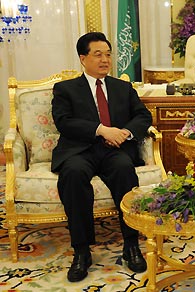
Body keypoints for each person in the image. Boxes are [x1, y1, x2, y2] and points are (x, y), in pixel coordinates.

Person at [51, 32, 152, 282]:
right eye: (98, 54)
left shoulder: (123, 87)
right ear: (83, 58)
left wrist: (125, 132)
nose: (105, 60)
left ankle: (131, 245)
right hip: (80, 150)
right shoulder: (65, 89)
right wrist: (100, 129)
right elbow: (63, 122)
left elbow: (142, 116)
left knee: (124, 171)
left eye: (108, 54)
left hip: (114, 151)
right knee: (72, 175)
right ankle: (82, 251)